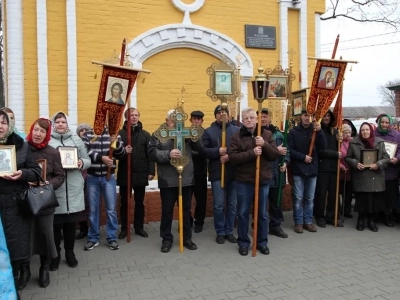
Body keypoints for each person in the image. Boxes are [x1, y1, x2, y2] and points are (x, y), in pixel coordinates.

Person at [148, 109, 204, 253]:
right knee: (167, 211)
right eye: (172, 120)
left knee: (186, 210)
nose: (174, 122)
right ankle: (166, 239)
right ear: (167, 120)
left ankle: (186, 238)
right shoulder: (159, 134)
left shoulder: (187, 132)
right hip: (167, 179)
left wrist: (195, 135)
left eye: (177, 120)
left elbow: (200, 149)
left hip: (186, 179)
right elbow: (152, 152)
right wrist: (168, 154)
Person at [19, 118, 65, 289]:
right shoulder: (22, 149)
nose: (38, 134)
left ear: (47, 134)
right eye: (36, 130)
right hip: (25, 201)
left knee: (45, 235)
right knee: (25, 236)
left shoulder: (53, 152)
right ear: (31, 130)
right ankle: (25, 270)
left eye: (42, 131)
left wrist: (48, 184)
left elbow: (60, 176)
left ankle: (44, 268)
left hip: (45, 202)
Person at [0, 110, 42, 294]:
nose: (0, 126)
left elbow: (36, 171)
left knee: (16, 244)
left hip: (15, 203)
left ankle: (17, 277)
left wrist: (22, 174)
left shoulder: (21, 146)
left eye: (3, 122)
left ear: (9, 125)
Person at [229, 107, 279, 256]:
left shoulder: (267, 134)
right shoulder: (236, 137)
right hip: (244, 181)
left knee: (262, 214)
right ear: (242, 121)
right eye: (246, 118)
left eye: (252, 117)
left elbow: (275, 155)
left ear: (257, 119)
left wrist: (264, 145)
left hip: (262, 180)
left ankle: (262, 242)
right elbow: (233, 158)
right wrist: (252, 153)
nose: (249, 120)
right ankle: (243, 243)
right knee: (243, 213)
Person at [49, 112, 91, 270]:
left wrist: (81, 162)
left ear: (67, 124)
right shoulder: (49, 142)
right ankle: (56, 255)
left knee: (70, 225)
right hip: (56, 189)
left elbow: (88, 160)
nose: (60, 124)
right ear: (54, 124)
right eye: (57, 121)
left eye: (63, 121)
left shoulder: (76, 140)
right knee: (55, 225)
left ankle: (70, 253)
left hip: (73, 188)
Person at [82, 125, 125, 251]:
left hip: (109, 177)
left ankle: (111, 237)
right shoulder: (88, 134)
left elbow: (121, 154)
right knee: (93, 210)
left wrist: (115, 143)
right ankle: (93, 237)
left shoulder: (114, 134)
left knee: (111, 209)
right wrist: (102, 158)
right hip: (92, 177)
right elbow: (85, 152)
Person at [203, 105, 240, 244]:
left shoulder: (237, 130)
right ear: (215, 115)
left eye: (224, 112)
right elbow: (204, 151)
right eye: (219, 113)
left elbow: (241, 148)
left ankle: (229, 230)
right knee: (218, 205)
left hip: (234, 173)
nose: (222, 115)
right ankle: (220, 231)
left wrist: (229, 156)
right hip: (217, 173)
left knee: (232, 204)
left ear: (229, 115)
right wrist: (217, 151)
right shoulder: (208, 132)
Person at [117, 108, 155, 239]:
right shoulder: (120, 134)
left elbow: (150, 155)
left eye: (136, 115)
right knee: (125, 202)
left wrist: (151, 171)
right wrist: (122, 150)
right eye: (131, 115)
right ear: (126, 117)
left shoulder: (145, 134)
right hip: (125, 173)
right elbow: (114, 153)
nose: (133, 117)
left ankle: (139, 227)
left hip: (140, 173)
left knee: (139, 202)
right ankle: (125, 228)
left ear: (139, 117)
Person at [345, 122, 389, 232]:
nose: (365, 132)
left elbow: (386, 157)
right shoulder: (354, 142)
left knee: (373, 200)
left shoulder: (379, 142)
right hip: (361, 176)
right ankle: (361, 219)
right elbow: (348, 158)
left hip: (375, 176)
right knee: (362, 199)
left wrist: (378, 164)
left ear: (371, 131)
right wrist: (355, 163)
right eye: (363, 130)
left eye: (367, 130)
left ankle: (371, 220)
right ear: (360, 131)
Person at [287, 109, 327, 233]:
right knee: (298, 198)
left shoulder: (315, 131)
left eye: (310, 116)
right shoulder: (293, 132)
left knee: (310, 198)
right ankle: (299, 222)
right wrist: (302, 157)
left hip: (312, 170)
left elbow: (323, 146)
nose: (307, 118)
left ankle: (308, 222)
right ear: (301, 116)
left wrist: (320, 131)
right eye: (305, 115)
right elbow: (290, 150)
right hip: (299, 169)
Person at [258, 108, 290, 238]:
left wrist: (285, 163)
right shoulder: (256, 135)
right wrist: (277, 150)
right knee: (261, 202)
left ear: (269, 118)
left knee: (277, 202)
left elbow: (287, 151)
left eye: (265, 116)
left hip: (277, 172)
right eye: (261, 116)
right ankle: (259, 225)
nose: (263, 119)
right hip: (262, 172)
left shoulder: (279, 134)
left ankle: (275, 226)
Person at [314, 110, 343, 228]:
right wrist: (335, 154)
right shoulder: (317, 131)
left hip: (334, 168)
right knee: (321, 193)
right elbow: (320, 151)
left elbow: (340, 149)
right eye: (324, 116)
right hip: (323, 167)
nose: (326, 118)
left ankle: (332, 216)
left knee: (333, 194)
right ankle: (320, 216)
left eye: (328, 116)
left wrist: (339, 140)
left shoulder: (335, 131)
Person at [374, 114, 400, 226]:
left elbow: (399, 149)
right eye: (382, 122)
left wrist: (397, 158)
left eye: (387, 122)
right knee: (379, 194)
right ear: (379, 123)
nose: (384, 124)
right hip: (377, 169)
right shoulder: (374, 134)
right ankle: (379, 214)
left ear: (390, 123)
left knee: (391, 195)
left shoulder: (396, 134)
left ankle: (389, 216)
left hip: (391, 170)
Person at [189, 110, 208, 233]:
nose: (196, 121)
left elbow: (204, 151)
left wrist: (194, 153)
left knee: (201, 199)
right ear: (190, 120)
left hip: (201, 171)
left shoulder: (205, 134)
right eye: (194, 118)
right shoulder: (186, 132)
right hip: (187, 171)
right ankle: (187, 220)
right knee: (186, 199)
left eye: (199, 119)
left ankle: (199, 222)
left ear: (202, 121)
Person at [75, 123, 92, 240]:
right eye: (82, 130)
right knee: (81, 203)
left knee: (90, 204)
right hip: (79, 177)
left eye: (86, 130)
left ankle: (92, 229)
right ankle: (83, 228)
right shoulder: (74, 144)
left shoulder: (93, 144)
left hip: (91, 177)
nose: (84, 132)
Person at [339, 124, 353, 218]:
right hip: (341, 172)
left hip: (350, 172)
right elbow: (338, 157)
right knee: (339, 192)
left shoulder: (352, 143)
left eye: (349, 132)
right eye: (345, 133)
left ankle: (347, 211)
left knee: (348, 194)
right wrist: (340, 166)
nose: (347, 134)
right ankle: (339, 210)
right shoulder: (339, 143)